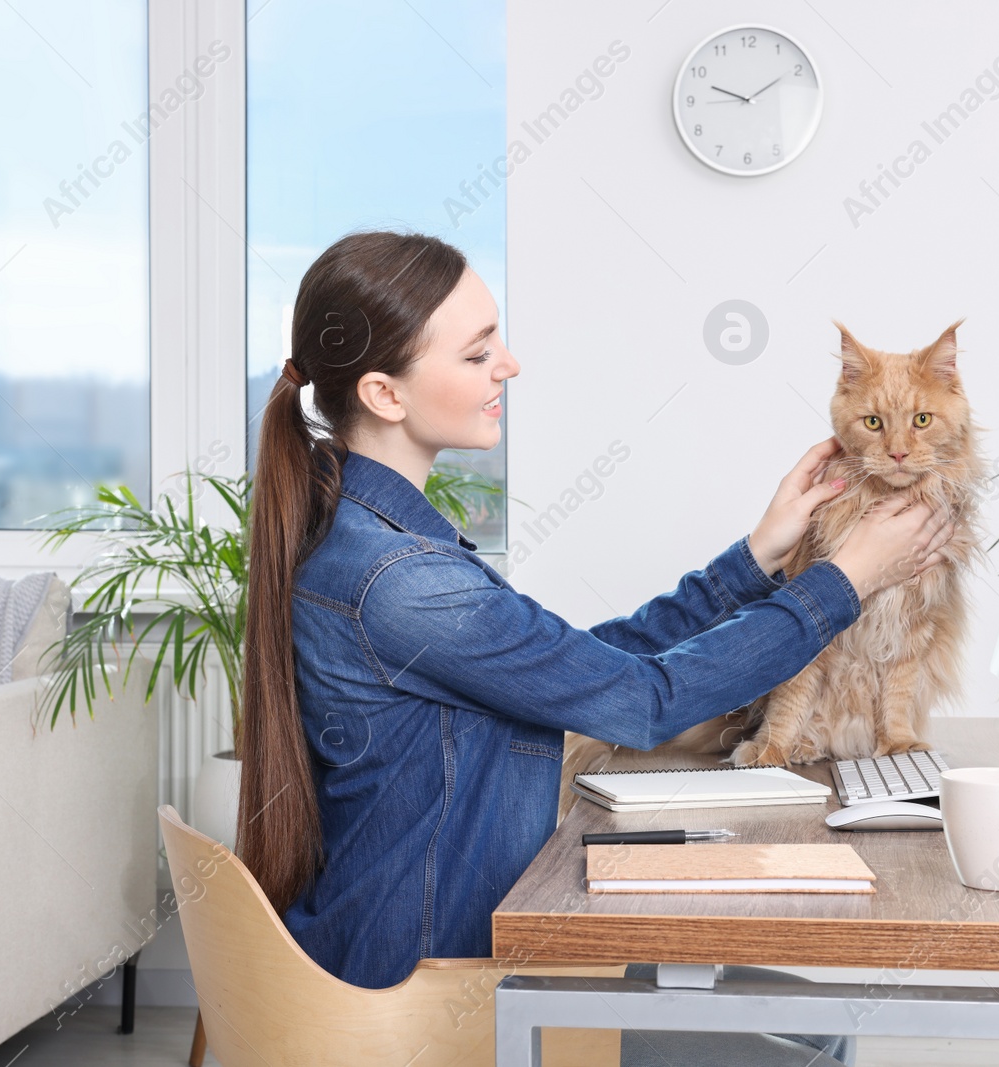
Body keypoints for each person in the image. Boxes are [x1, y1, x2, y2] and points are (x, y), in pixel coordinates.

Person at [238, 230, 953, 1066]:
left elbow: (586, 665)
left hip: (427, 954)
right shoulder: (400, 582)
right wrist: (843, 580)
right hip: (436, 1001)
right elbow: (642, 699)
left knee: (812, 1019)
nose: (510, 364)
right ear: (384, 393)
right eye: (477, 353)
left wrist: (757, 555)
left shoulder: (379, 542)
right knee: (809, 1043)